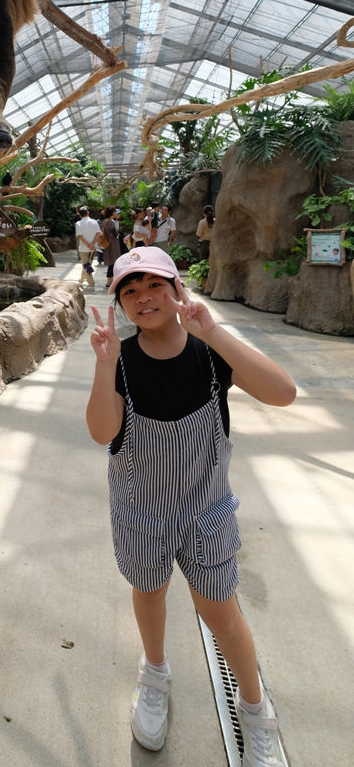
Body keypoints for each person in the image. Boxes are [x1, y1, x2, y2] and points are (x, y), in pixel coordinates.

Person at [86, 247, 295, 764]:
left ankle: (255, 709)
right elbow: (102, 431)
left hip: (207, 513)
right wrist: (105, 363)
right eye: (129, 291)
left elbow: (283, 393)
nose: (143, 299)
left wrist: (214, 331)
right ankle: (154, 672)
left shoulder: (209, 353)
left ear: (177, 289)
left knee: (221, 615)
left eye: (154, 285)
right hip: (141, 512)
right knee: (149, 590)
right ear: (121, 304)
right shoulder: (123, 361)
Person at [75, 205, 100, 290]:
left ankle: (91, 284)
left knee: (86, 266)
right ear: (88, 213)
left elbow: (80, 236)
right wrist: (92, 244)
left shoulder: (78, 223)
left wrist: (88, 244)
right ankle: (80, 281)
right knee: (86, 266)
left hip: (83, 248)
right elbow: (98, 234)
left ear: (79, 215)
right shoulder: (94, 222)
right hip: (93, 248)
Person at [100, 206, 121, 289]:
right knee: (113, 263)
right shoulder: (110, 222)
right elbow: (115, 234)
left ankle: (110, 281)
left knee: (112, 264)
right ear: (112, 213)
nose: (116, 213)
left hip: (109, 245)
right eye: (115, 211)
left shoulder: (106, 221)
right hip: (112, 245)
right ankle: (109, 282)